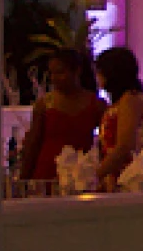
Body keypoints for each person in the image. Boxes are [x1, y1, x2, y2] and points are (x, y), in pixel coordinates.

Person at [20, 49, 103, 183]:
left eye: (60, 72)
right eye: (51, 73)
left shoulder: (95, 104)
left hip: (80, 175)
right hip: (46, 173)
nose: (54, 78)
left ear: (77, 71)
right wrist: (23, 179)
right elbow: (33, 143)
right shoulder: (45, 104)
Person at [93, 47, 143, 188]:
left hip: (129, 178)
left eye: (99, 71)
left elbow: (124, 146)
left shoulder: (130, 100)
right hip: (116, 175)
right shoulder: (122, 101)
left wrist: (95, 176)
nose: (97, 76)